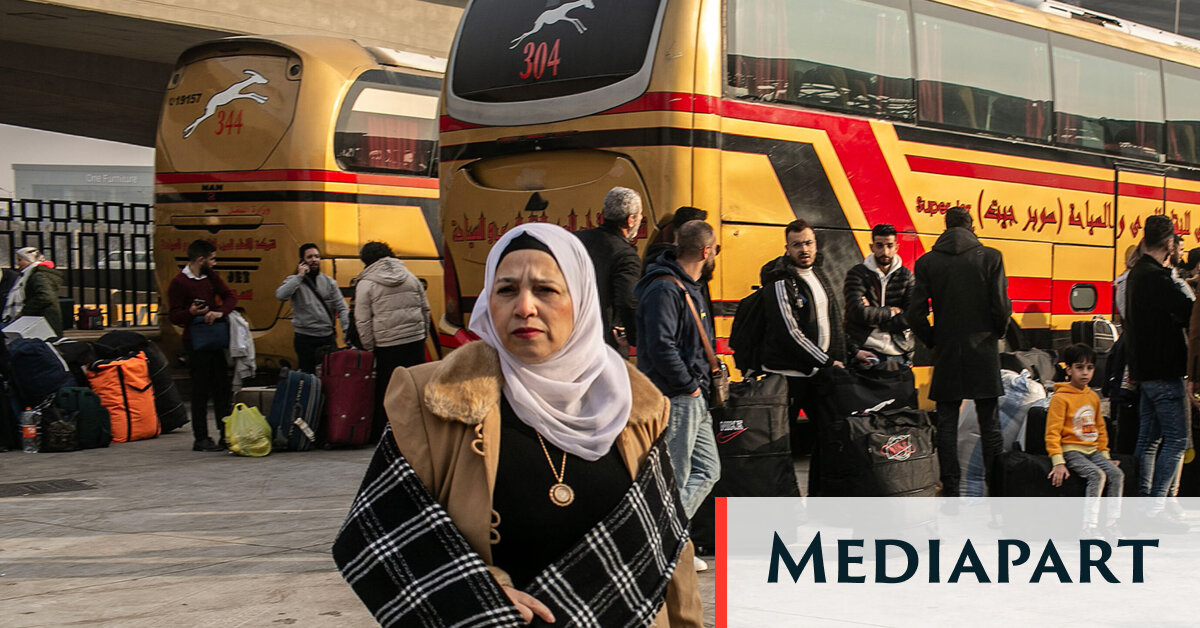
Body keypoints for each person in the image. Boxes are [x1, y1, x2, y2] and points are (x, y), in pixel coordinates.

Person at [333, 223, 702, 627]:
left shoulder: (635, 406)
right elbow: (380, 533)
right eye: (506, 290)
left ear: (581, 299)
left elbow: (670, 551)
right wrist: (476, 595)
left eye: (546, 290)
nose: (524, 307)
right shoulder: (433, 398)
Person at [634, 219, 722, 572]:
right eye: (715, 249)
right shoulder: (665, 289)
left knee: (708, 470)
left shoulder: (687, 286)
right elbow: (661, 346)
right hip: (678, 395)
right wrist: (689, 384)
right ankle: (661, 549)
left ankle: (668, 539)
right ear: (705, 251)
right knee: (677, 476)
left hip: (693, 395)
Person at [906, 207, 1010, 497]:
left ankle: (951, 490)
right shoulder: (991, 258)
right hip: (983, 350)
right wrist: (996, 334)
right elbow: (1001, 307)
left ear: (945, 227)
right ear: (971, 227)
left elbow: (914, 314)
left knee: (947, 424)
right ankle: (996, 492)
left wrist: (933, 340)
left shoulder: (927, 262)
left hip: (948, 351)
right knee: (990, 427)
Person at [758, 219, 845, 489]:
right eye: (796, 245)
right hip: (788, 377)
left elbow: (832, 320)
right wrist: (827, 361)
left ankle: (821, 497)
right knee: (780, 444)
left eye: (808, 243)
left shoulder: (819, 274)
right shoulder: (780, 280)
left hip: (818, 374)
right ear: (787, 248)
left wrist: (849, 354)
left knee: (829, 437)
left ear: (816, 245)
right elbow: (790, 333)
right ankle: (781, 500)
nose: (804, 249)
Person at [1126, 214, 1191, 529]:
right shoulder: (1156, 278)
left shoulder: (1136, 274)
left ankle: (1141, 506)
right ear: (1168, 244)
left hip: (1146, 372)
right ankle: (1154, 510)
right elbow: (1188, 310)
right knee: (1177, 439)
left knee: (1149, 439)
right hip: (1165, 371)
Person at [353, 241, 430, 442]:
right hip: (414, 339)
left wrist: (369, 346)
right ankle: (419, 430)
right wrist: (423, 334)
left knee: (389, 389)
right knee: (415, 386)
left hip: (387, 344)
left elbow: (362, 320)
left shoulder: (366, 283)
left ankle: (389, 432)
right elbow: (425, 309)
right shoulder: (410, 276)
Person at [167, 239, 237, 452]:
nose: (214, 263)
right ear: (200, 260)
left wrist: (219, 312)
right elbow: (174, 315)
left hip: (214, 337)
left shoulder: (210, 277)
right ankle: (201, 437)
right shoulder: (179, 282)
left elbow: (229, 296)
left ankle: (225, 434)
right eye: (211, 259)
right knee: (200, 390)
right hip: (196, 341)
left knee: (222, 388)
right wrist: (190, 312)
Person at [1046, 343, 1123, 533]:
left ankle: (1111, 524)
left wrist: (1105, 456)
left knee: (1116, 474)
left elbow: (1100, 429)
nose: (1085, 373)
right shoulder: (1060, 398)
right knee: (1096, 475)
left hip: (1093, 450)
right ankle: (1088, 526)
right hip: (1071, 450)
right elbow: (1052, 432)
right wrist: (1058, 461)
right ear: (1068, 369)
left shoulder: (1093, 397)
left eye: (1090, 367)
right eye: (1079, 367)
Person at [575, 186, 643, 354]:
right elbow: (627, 300)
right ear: (630, 220)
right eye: (640, 215)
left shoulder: (576, 240)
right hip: (602, 341)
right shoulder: (626, 255)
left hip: (571, 335)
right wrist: (635, 336)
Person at [843, 223, 914, 369]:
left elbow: (912, 317)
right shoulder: (857, 274)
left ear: (896, 247)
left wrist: (879, 323)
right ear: (872, 247)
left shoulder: (906, 277)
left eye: (889, 246)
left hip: (898, 352)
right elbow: (858, 312)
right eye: (879, 245)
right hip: (865, 351)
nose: (885, 251)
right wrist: (892, 312)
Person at [275, 243, 349, 373]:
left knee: (331, 374)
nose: (314, 260)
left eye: (316, 256)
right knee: (307, 375)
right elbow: (281, 295)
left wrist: (346, 329)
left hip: (327, 337)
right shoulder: (294, 281)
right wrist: (299, 277)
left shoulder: (328, 282)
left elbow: (342, 307)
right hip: (305, 338)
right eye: (309, 257)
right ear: (302, 261)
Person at [2, 247, 64, 335]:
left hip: (40, 323)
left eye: (20, 260)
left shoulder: (38, 275)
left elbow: (46, 296)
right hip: (37, 323)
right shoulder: (29, 275)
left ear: (29, 260)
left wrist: (24, 311)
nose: (18, 263)